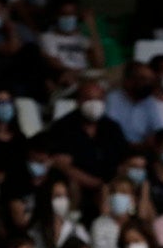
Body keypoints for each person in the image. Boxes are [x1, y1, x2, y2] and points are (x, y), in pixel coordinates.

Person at [50, 80, 130, 219]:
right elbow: (63, 165)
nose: (94, 103)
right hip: (79, 187)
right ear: (78, 101)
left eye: (99, 99)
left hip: (109, 185)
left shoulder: (112, 127)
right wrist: (97, 184)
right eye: (89, 98)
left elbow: (124, 161)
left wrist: (109, 186)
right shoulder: (63, 127)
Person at [39, 0, 104, 92]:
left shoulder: (83, 39)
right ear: (56, 16)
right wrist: (79, 74)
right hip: (64, 81)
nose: (69, 18)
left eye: (72, 14)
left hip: (85, 80)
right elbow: (54, 64)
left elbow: (99, 63)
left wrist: (92, 28)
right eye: (64, 14)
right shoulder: (47, 37)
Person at [104, 62, 163, 148]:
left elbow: (158, 129)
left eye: (151, 80)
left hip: (142, 149)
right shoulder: (112, 99)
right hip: (117, 147)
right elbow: (109, 132)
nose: (148, 84)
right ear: (129, 80)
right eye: (143, 79)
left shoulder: (149, 101)